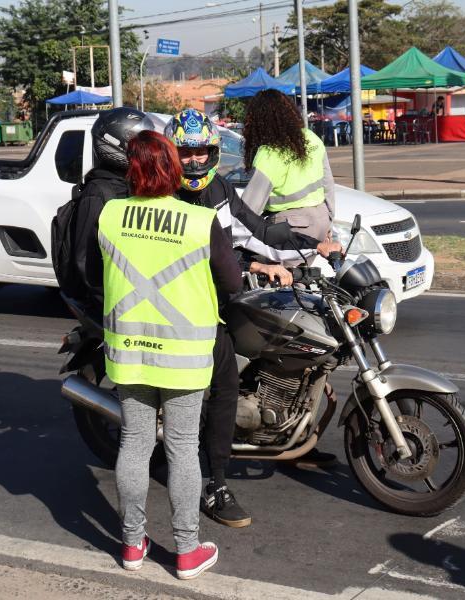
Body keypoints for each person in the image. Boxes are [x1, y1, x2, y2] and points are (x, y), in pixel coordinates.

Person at [164, 108, 343, 527]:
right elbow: (188, 261)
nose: (194, 161)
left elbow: (259, 231)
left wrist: (312, 246)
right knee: (224, 385)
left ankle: (290, 432)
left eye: (202, 151)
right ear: (172, 154)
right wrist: (251, 269)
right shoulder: (167, 198)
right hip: (185, 308)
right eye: (185, 153)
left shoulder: (220, 190)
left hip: (220, 297)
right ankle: (215, 484)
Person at [88, 130, 241, 579]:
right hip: (185, 355)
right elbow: (231, 283)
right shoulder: (197, 221)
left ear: (130, 170)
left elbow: (101, 271)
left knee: (134, 443)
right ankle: (187, 551)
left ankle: (133, 546)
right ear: (174, 167)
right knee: (181, 448)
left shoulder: (111, 215)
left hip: (129, 349)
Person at [70, 107, 155, 314]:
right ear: (114, 143)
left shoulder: (136, 185)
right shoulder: (98, 193)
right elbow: (85, 260)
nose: (148, 151)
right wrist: (111, 301)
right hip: (115, 307)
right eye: (140, 144)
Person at [240, 90, 335, 245]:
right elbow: (328, 185)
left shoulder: (270, 153)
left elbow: (248, 209)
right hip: (321, 220)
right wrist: (329, 220)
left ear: (259, 121)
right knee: (304, 269)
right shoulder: (311, 137)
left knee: (270, 268)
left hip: (291, 228)